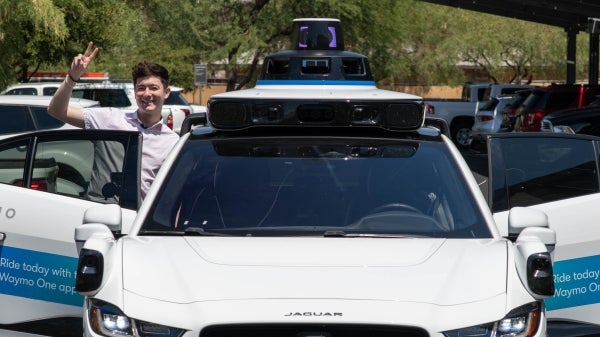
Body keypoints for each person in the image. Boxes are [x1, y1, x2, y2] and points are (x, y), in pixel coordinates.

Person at [48, 41, 180, 200]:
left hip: (141, 220)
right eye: (141, 88)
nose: (146, 94)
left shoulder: (173, 142)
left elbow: (175, 192)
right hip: (102, 214)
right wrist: (72, 78)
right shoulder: (110, 119)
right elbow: (56, 110)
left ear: (166, 93)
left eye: (153, 88)